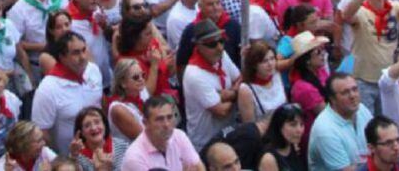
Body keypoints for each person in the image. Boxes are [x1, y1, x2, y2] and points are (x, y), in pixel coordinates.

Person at [31, 32, 103, 155]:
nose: (83, 57)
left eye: (84, 50)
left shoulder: (93, 70)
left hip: (100, 151)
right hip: (70, 158)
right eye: (76, 53)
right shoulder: (47, 89)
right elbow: (42, 132)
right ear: (62, 57)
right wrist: (59, 160)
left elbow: (100, 105)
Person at [182, 18, 243, 147]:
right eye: (212, 44)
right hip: (206, 142)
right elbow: (221, 112)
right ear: (199, 46)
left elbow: (240, 78)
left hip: (228, 132)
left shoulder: (222, 56)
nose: (219, 47)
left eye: (221, 41)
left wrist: (228, 94)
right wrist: (237, 94)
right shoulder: (194, 74)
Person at [307, 73, 374, 171]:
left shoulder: (362, 109)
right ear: (332, 99)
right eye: (345, 92)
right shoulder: (325, 129)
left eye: (355, 89)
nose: (352, 95)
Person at [121, 96, 204, 171]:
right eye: (160, 119)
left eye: (169, 117)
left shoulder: (179, 136)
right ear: (145, 123)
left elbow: (199, 167)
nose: (166, 124)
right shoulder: (135, 157)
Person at [70, 106, 129, 171]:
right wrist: (74, 156)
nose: (93, 128)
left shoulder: (122, 146)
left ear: (104, 124)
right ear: (82, 132)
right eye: (87, 125)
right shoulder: (77, 156)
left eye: (97, 122)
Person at [256, 102, 307, 171]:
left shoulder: (292, 146)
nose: (299, 130)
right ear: (279, 126)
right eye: (293, 125)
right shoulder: (269, 159)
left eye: (301, 124)